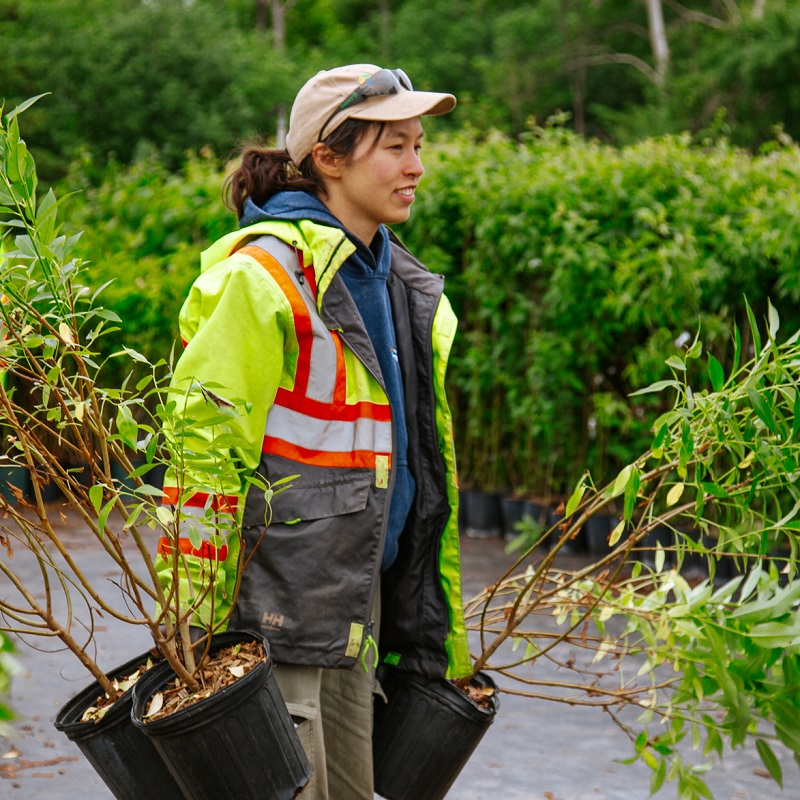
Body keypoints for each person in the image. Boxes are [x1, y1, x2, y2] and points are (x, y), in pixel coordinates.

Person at [156, 64, 471, 799]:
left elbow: (418, 467)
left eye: (419, 145)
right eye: (395, 147)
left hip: (361, 602)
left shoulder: (399, 283)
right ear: (328, 158)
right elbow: (205, 460)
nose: (417, 166)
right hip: (279, 611)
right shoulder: (261, 278)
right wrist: (190, 632)